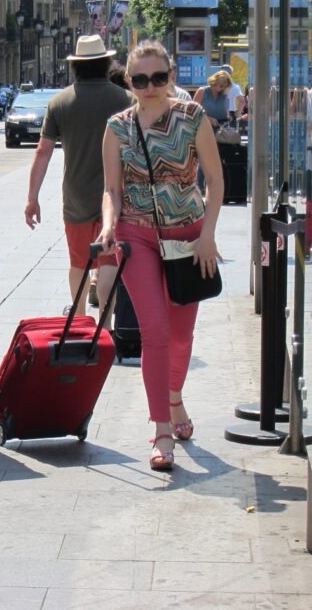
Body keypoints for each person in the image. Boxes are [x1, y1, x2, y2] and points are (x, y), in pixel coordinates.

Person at [98, 40, 224, 471]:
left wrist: (207, 234)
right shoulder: (116, 127)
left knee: (181, 336)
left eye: (158, 78)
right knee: (153, 332)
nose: (149, 86)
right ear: (129, 81)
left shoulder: (192, 117)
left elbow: (216, 183)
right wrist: (109, 225)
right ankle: (161, 431)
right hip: (138, 235)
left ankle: (175, 400)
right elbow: (111, 190)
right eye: (139, 79)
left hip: (187, 235)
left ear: (170, 77)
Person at [25, 35, 133, 317]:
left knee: (79, 262)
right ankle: (106, 323)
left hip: (76, 196)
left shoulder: (60, 102)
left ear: (76, 66)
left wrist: (32, 198)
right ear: (105, 63)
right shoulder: (126, 99)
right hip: (119, 195)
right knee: (109, 260)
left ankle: (81, 318)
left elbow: (43, 151)